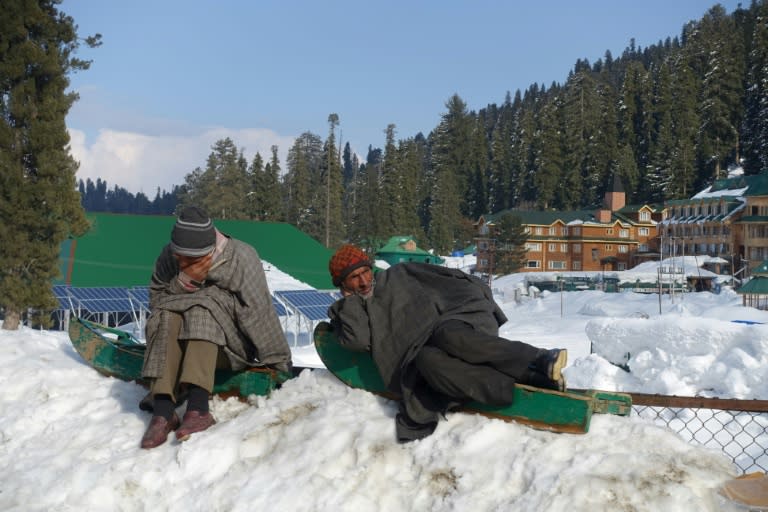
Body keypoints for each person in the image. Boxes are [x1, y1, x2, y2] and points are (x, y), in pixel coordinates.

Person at [327, 244, 567, 442]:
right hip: (415, 356)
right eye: (353, 278)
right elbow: (357, 341)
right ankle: (523, 382)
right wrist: (350, 303)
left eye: (365, 272)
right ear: (343, 285)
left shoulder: (398, 275)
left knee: (449, 336)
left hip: (449, 323)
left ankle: (539, 359)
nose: (363, 281)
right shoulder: (348, 312)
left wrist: (476, 298)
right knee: (427, 361)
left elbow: (448, 279)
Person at [140, 206, 292, 449]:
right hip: (179, 346)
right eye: (178, 255)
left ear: (208, 252)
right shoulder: (170, 256)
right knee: (167, 314)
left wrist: (278, 361)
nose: (180, 261)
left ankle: (198, 409)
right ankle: (163, 411)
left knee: (204, 304)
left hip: (228, 348)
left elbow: (259, 312)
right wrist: (184, 282)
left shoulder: (241, 258)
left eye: (189, 259)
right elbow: (156, 303)